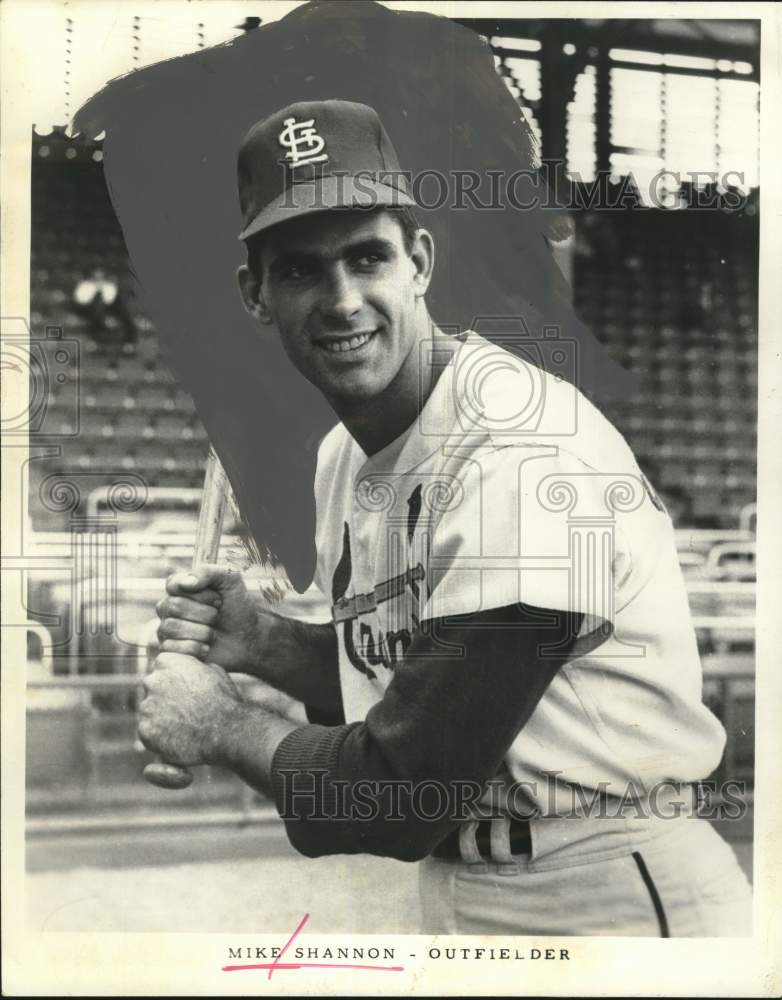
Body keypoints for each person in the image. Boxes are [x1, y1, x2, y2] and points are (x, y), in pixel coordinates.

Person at [140, 99, 752, 936]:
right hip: (465, 884)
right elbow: (402, 687)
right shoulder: (343, 457)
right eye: (300, 271)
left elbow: (403, 792)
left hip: (607, 887)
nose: (343, 299)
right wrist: (266, 644)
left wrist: (220, 724)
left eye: (368, 257)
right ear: (256, 295)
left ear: (419, 260)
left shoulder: (524, 454)